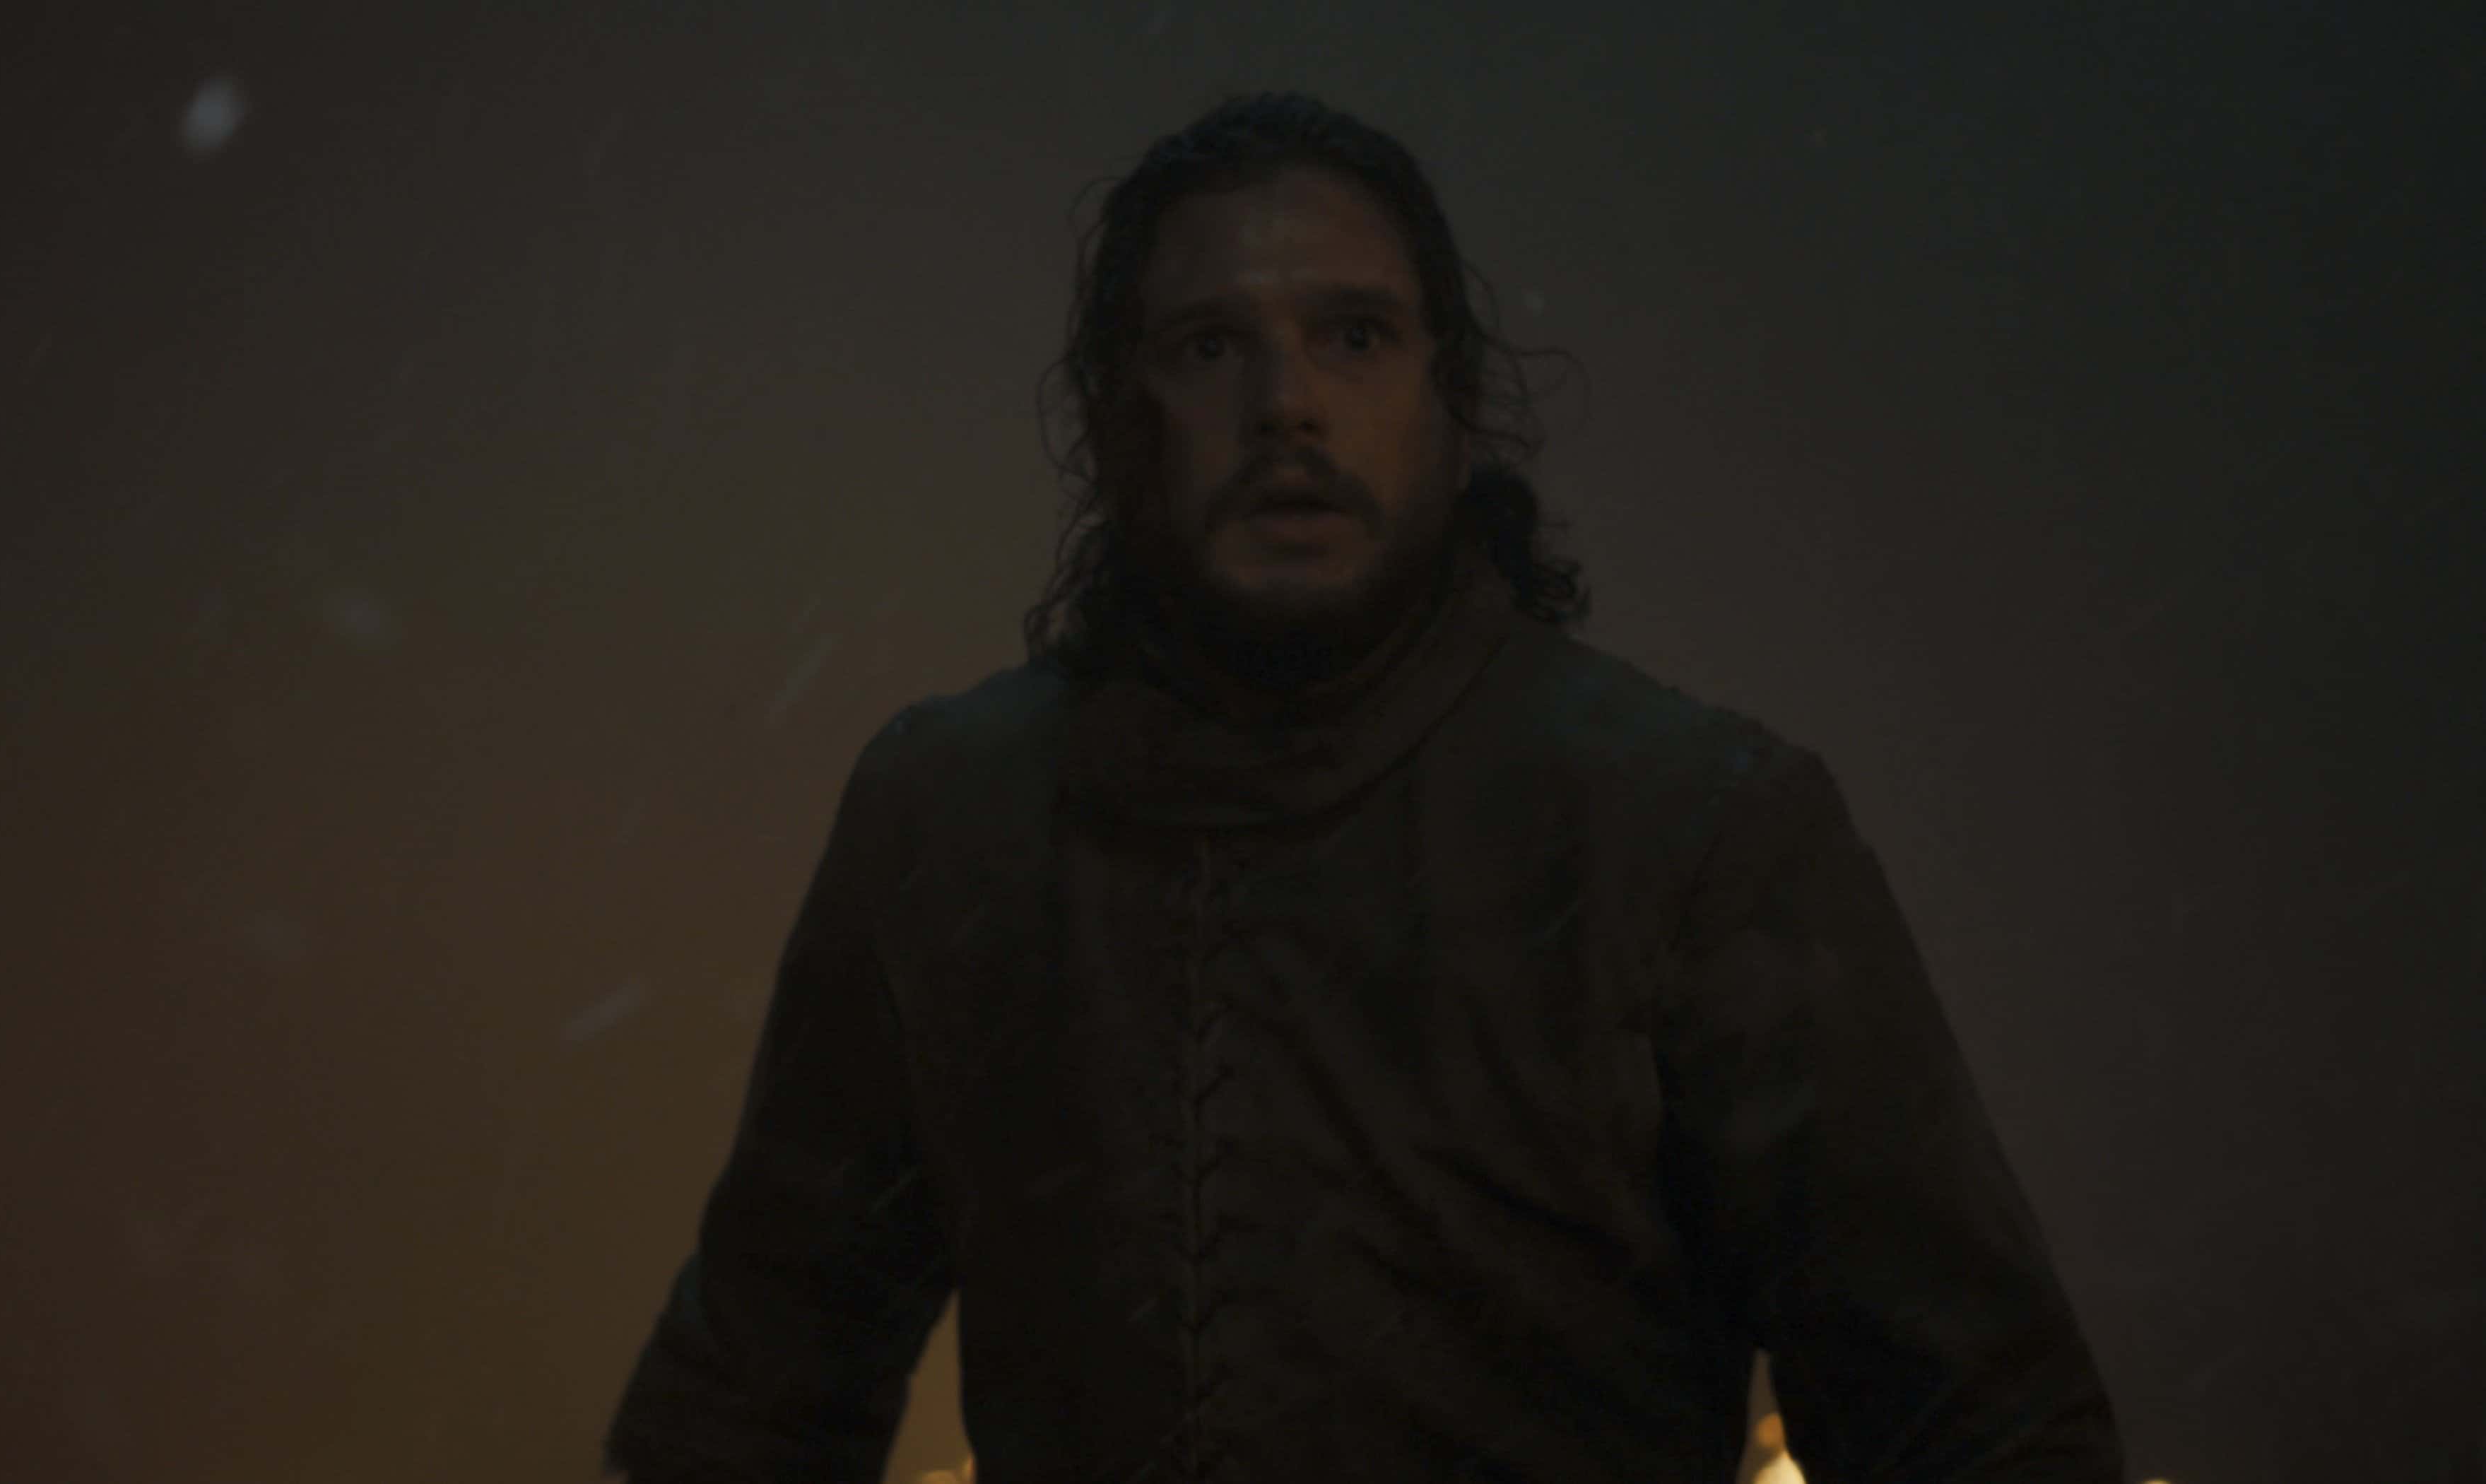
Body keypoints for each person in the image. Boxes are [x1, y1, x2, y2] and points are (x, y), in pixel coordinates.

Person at [601, 90, 2123, 1484]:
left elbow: (1978, 1432)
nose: (1287, 406)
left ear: (1450, 400)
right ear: (1120, 415)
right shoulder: (954, 820)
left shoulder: (1695, 827)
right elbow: (749, 1402)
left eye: (1354, 337)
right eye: (1211, 347)